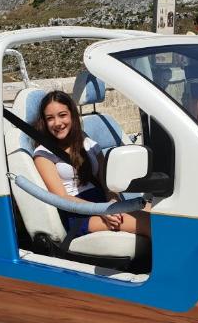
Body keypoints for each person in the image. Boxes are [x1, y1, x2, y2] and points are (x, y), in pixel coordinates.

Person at [33, 90, 150, 239]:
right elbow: (62, 198)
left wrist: (113, 200)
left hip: (104, 203)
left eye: (62, 115)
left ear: (72, 115)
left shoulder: (85, 140)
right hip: (78, 215)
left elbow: (106, 180)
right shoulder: (43, 154)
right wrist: (101, 209)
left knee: (164, 214)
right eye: (50, 118)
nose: (57, 123)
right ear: (44, 121)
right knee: (149, 223)